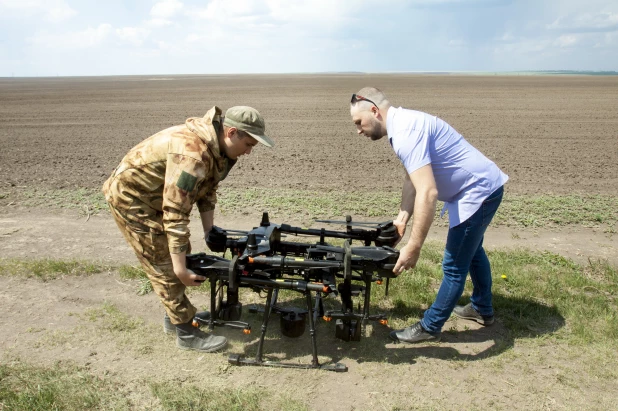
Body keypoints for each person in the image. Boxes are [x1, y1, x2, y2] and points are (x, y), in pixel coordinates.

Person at [103, 105, 274, 352]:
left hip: (156, 198)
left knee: (179, 254)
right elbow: (175, 213)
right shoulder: (193, 156)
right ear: (232, 132)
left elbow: (207, 190)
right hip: (133, 200)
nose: (249, 152)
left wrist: (209, 230)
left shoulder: (218, 150)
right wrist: (180, 269)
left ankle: (175, 317)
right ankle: (185, 332)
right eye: (249, 144)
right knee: (164, 262)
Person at [350, 87, 508, 343]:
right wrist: (402, 218)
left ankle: (430, 326)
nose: (358, 130)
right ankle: (482, 308)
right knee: (473, 250)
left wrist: (413, 247)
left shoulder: (405, 133)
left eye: (359, 122)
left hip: (478, 192)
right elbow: (411, 178)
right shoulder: (403, 124)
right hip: (478, 188)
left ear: (375, 111)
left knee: (454, 265)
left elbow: (428, 192)